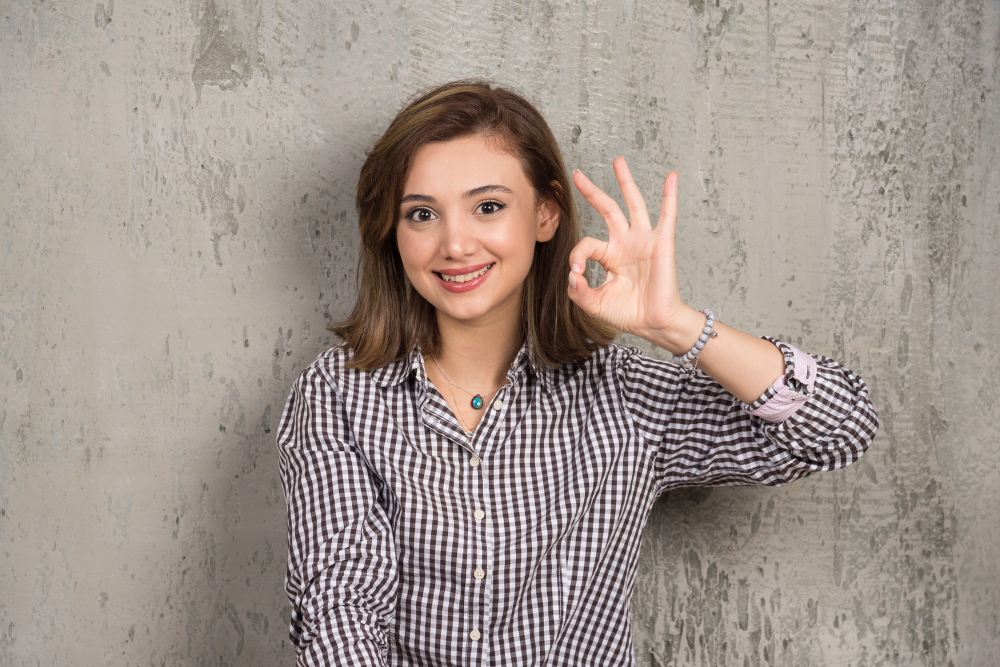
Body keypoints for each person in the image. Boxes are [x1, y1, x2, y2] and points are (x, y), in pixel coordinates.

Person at [275, 79, 878, 666]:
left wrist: (679, 327)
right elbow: (340, 607)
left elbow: (840, 429)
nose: (455, 244)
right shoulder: (339, 394)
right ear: (392, 230)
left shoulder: (624, 396)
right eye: (422, 214)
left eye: (488, 207)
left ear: (545, 214)